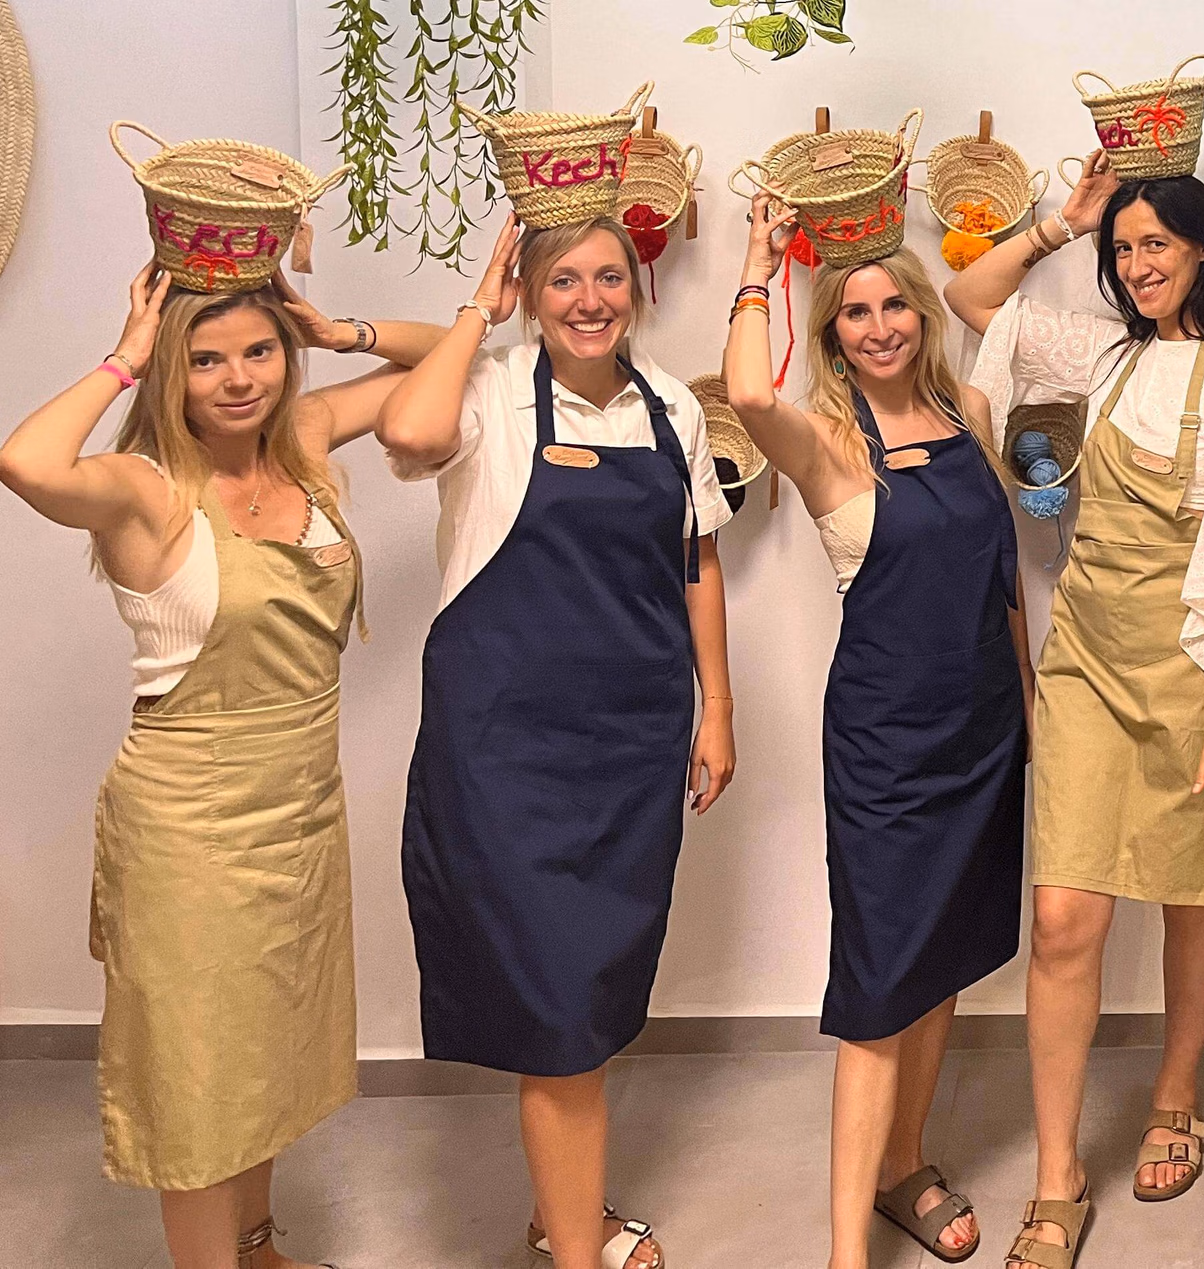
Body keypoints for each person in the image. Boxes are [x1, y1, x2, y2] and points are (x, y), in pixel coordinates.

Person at [0, 262, 441, 1268]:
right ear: (172, 373)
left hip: (299, 810)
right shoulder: (144, 489)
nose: (239, 378)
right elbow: (23, 462)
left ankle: (256, 1249)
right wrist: (123, 359)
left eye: (258, 351)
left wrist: (339, 329)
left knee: (265, 1063)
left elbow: (456, 361)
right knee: (200, 1086)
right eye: (205, 360)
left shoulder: (311, 445)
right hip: (188, 829)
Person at [946, 150, 1204, 1269]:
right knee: (1065, 920)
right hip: (1089, 663)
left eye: (1158, 243)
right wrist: (1065, 222)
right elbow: (971, 297)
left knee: (1195, 895)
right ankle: (1059, 1177)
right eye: (1127, 248)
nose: (1139, 263)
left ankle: (1176, 1097)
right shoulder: (1105, 356)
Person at [378, 214, 736, 1269]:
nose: (590, 300)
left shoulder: (671, 407)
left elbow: (696, 561)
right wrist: (472, 314)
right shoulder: (489, 388)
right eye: (563, 281)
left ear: (640, 288)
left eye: (608, 279)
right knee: (562, 1006)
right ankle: (576, 1249)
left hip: (629, 746)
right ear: (531, 295)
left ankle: (559, 1211)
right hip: (504, 754)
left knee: (595, 993)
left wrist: (717, 705)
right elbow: (406, 435)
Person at [723, 195, 1029, 1267]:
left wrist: (1030, 716)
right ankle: (847, 1249)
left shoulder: (973, 421)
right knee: (875, 987)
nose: (885, 323)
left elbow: (1005, 594)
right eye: (858, 312)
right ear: (832, 334)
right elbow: (744, 390)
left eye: (898, 302)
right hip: (886, 747)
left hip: (985, 733)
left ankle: (906, 1165)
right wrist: (759, 263)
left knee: (940, 960)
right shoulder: (822, 442)